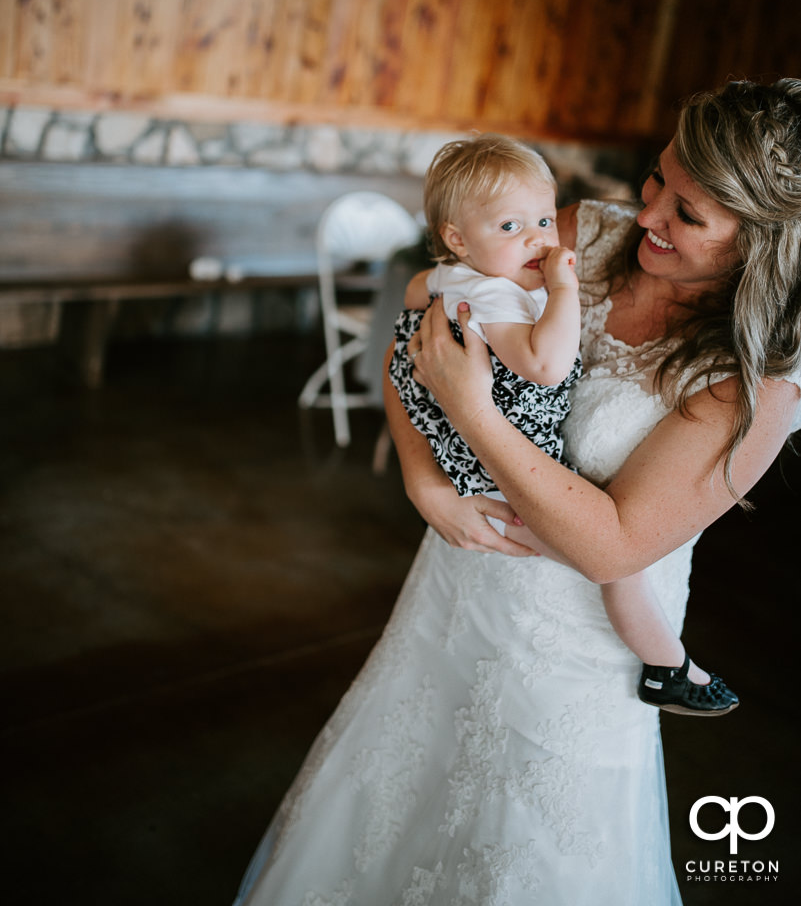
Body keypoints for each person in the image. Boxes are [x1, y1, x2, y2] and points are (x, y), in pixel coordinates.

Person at [233, 79, 801, 906]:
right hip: (457, 589)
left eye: (687, 215)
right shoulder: (570, 239)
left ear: (763, 242)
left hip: (573, 659)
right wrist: (426, 488)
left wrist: (471, 408)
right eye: (655, 181)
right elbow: (416, 340)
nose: (646, 217)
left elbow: (611, 545)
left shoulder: (756, 387)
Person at [388, 133, 738, 716]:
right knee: (615, 573)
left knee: (608, 556)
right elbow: (545, 368)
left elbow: (413, 297)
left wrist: (450, 285)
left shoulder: (463, 275)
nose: (538, 239)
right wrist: (561, 288)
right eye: (510, 227)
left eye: (544, 220)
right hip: (509, 467)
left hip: (493, 484)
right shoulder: (502, 295)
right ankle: (667, 666)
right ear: (457, 237)